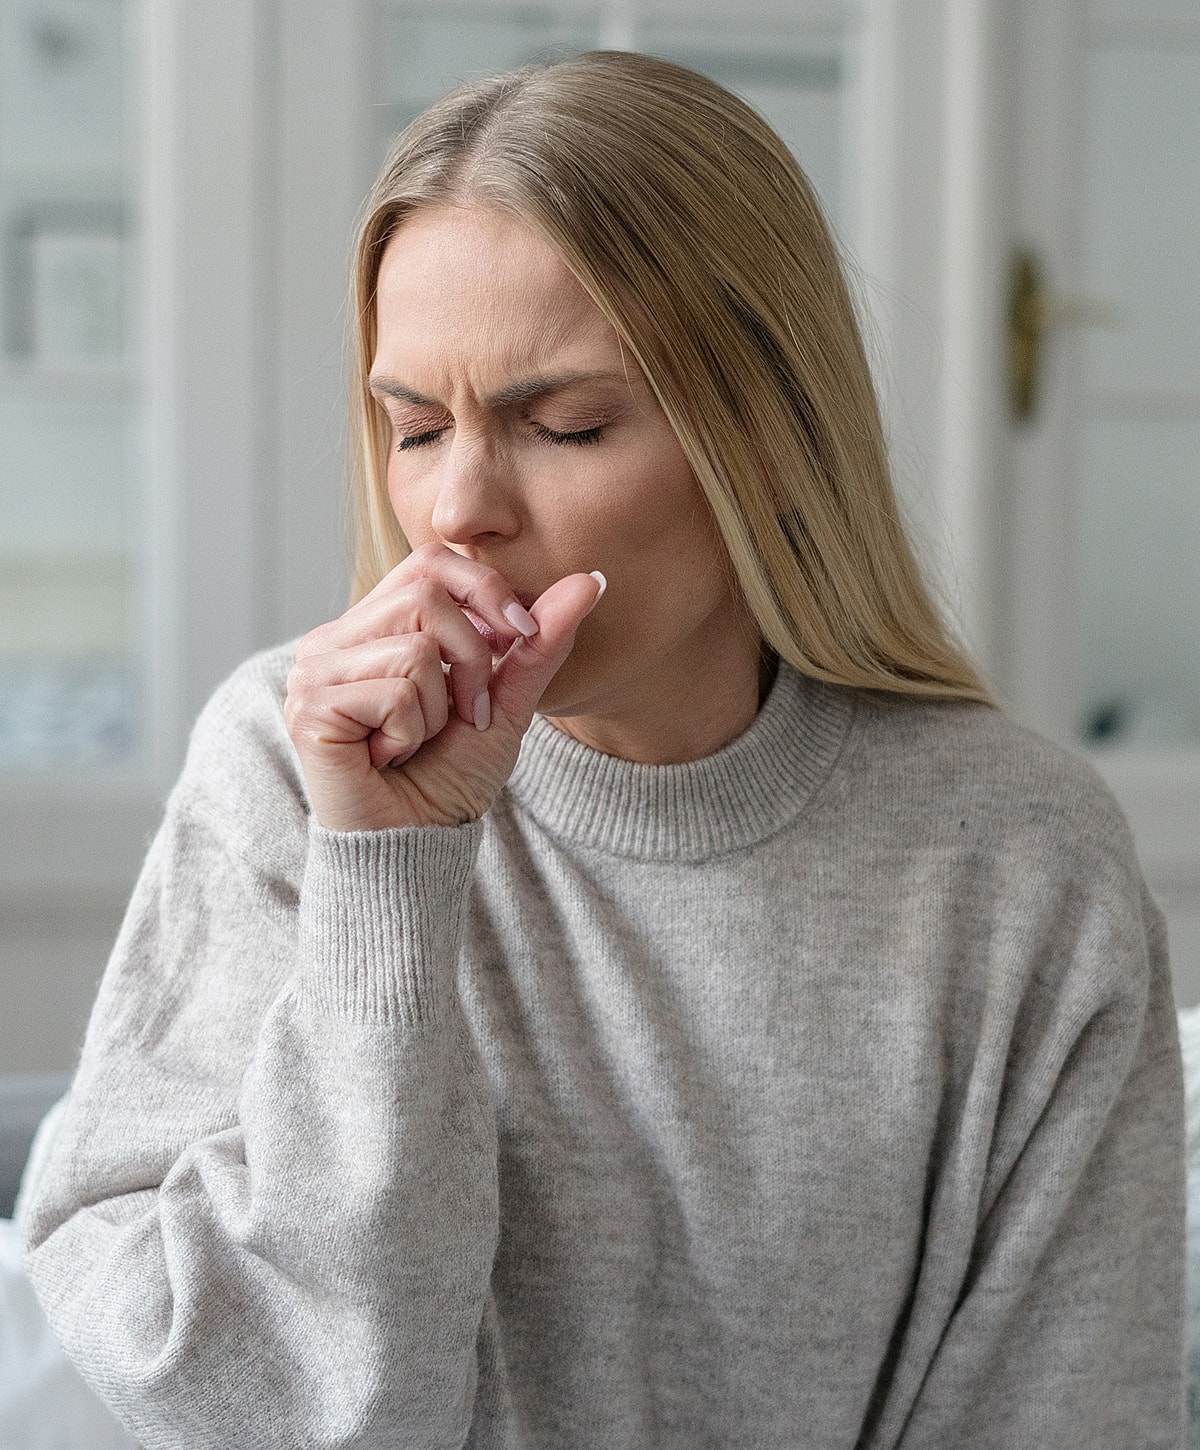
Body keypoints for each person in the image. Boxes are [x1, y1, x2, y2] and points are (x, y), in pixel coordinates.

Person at [20, 49, 1185, 1449]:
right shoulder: (287, 768)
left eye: (562, 423)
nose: (455, 510)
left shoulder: (1019, 860)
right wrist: (384, 876)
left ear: (763, 439)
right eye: (414, 426)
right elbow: (277, 1412)